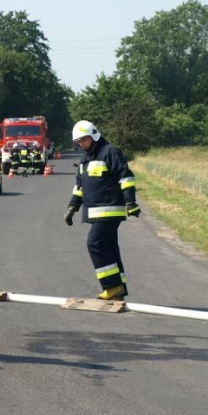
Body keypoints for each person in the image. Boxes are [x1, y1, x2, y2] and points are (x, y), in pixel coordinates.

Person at [64, 120, 140, 300]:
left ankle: (111, 287)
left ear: (94, 135)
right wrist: (72, 207)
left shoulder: (110, 152)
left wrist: (131, 202)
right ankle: (118, 289)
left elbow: (126, 177)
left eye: (84, 140)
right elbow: (80, 188)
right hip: (95, 212)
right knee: (110, 248)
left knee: (95, 244)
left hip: (110, 211)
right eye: (79, 142)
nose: (81, 144)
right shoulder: (85, 160)